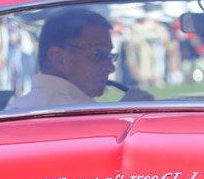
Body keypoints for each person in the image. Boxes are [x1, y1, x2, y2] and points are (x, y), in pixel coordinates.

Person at [12, 9, 152, 110]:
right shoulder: (78, 114)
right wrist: (124, 114)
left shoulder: (15, 109)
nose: (111, 68)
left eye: (109, 56)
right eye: (98, 54)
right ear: (59, 58)